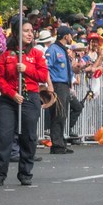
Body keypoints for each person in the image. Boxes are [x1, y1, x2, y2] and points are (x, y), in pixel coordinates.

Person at [0, 18, 48, 186]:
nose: (30, 34)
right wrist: (12, 94)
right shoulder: (6, 55)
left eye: (31, 31)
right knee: (3, 135)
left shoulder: (36, 54)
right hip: (9, 100)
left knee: (28, 137)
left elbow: (43, 76)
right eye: (25, 31)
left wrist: (27, 69)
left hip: (30, 97)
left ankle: (25, 172)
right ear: (16, 33)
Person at [46, 25, 75, 154]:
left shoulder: (64, 50)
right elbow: (47, 68)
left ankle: (61, 142)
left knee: (62, 115)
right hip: (57, 84)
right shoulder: (53, 49)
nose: (71, 37)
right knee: (58, 114)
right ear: (66, 36)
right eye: (70, 35)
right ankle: (57, 145)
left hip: (64, 85)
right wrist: (50, 85)